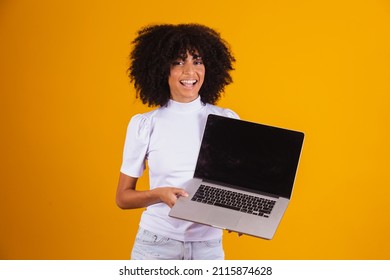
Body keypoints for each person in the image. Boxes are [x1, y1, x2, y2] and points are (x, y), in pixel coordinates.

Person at [116, 23, 239, 260]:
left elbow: (234, 185)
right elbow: (123, 198)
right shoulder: (145, 124)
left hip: (207, 248)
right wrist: (159, 194)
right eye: (178, 62)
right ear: (162, 69)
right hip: (156, 245)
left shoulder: (227, 120)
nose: (190, 72)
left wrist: (238, 217)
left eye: (197, 61)